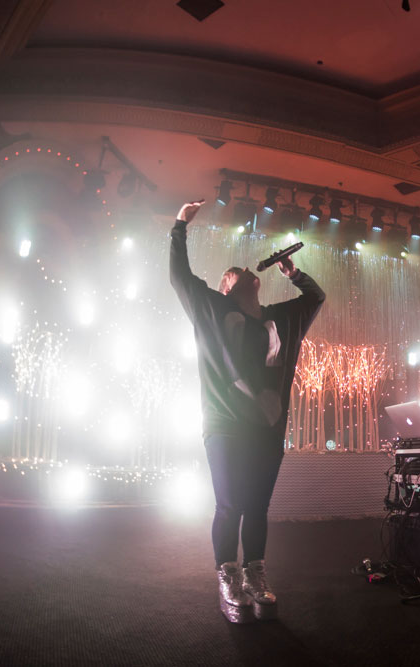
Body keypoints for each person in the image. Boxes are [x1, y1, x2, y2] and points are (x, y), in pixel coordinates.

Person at [170, 200, 325, 622]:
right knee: (230, 503)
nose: (242, 271)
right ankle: (228, 576)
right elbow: (180, 278)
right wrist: (180, 225)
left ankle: (255, 573)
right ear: (224, 288)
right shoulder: (213, 311)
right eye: (231, 273)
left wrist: (294, 274)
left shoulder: (280, 320)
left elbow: (315, 297)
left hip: (267, 429)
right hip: (223, 423)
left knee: (256, 506)